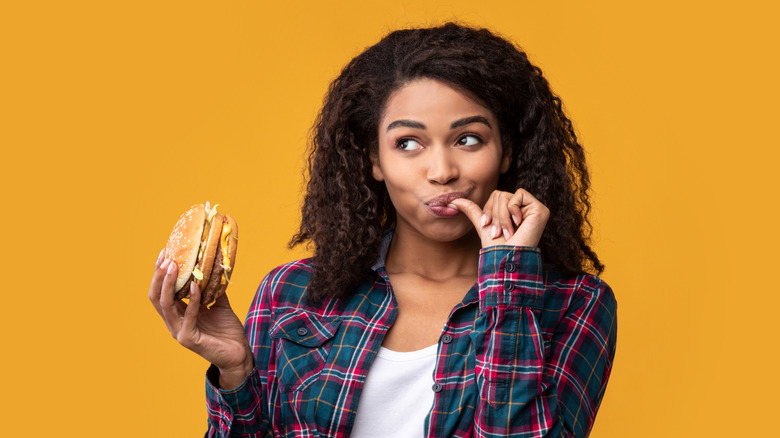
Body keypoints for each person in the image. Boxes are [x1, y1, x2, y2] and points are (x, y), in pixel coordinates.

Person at [149, 22, 617, 438]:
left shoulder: (575, 304)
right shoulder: (293, 293)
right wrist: (235, 373)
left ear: (508, 152)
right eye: (408, 143)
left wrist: (507, 278)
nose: (441, 170)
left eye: (468, 139)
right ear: (374, 160)